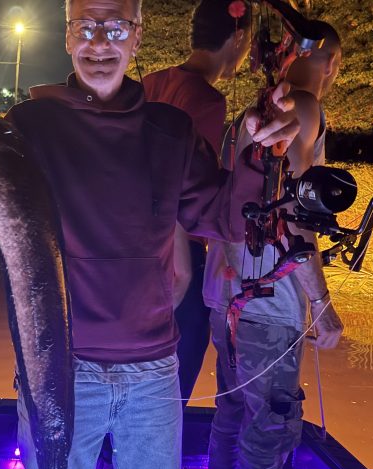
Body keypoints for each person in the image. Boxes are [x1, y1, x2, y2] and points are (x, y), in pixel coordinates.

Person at [0, 0, 300, 469]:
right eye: (86, 26)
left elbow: (229, 221)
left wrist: (262, 152)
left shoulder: (170, 131)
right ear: (67, 37)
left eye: (116, 27)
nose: (100, 42)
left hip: (154, 372)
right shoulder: (27, 127)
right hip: (60, 370)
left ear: (138, 37)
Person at [202, 20, 344, 469]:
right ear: (333, 64)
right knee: (271, 425)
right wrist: (321, 303)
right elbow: (296, 215)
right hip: (266, 305)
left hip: (224, 300)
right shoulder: (303, 108)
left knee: (232, 413)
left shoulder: (253, 111)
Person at [142, 0, 252, 406]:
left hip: (136, 247)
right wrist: (185, 266)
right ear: (238, 37)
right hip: (175, 253)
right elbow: (180, 187)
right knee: (177, 370)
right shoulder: (205, 100)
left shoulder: (151, 82)